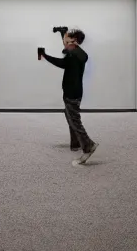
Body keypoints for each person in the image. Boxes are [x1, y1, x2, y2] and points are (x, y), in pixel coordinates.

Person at [40, 29, 99, 165]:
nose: (64, 43)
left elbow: (62, 63)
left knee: (74, 120)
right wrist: (63, 32)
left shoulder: (72, 55)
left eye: (66, 41)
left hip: (71, 93)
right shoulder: (79, 53)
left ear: (74, 42)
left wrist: (45, 55)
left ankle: (88, 146)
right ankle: (75, 143)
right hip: (75, 91)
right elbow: (67, 52)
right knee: (69, 116)